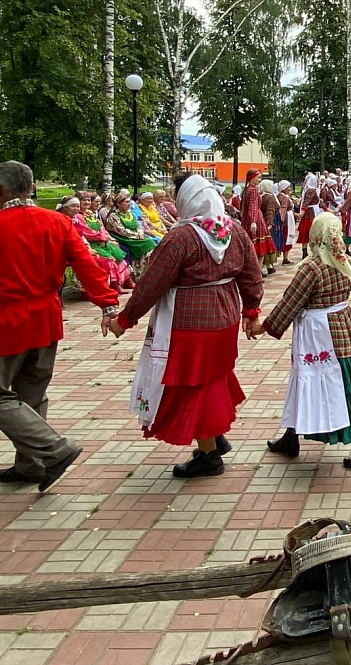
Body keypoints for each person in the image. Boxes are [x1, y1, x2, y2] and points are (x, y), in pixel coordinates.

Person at [0, 161, 122, 491]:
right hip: (45, 318)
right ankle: (31, 464)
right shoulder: (57, 222)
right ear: (31, 187)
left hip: (4, 322)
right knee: (31, 393)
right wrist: (108, 303)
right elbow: (87, 262)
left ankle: (55, 450)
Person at [107, 174, 263, 477]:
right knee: (212, 377)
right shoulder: (233, 231)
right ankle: (214, 438)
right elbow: (251, 272)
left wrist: (124, 320)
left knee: (194, 384)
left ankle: (209, 456)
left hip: (190, 320)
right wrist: (251, 308)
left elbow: (152, 283)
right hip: (225, 315)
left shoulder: (181, 237)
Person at [257, 213, 351, 467]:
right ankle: (291, 436)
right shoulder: (345, 262)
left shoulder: (312, 268)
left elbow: (290, 303)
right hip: (342, 329)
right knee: (315, 381)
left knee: (330, 384)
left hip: (318, 334)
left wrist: (264, 327)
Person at [68, 194, 133, 293]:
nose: (87, 203)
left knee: (119, 254)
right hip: (91, 243)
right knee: (108, 259)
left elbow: (101, 226)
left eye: (88, 200)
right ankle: (114, 284)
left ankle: (126, 280)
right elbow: (86, 232)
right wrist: (102, 238)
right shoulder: (78, 217)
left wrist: (106, 238)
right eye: (83, 201)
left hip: (101, 241)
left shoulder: (90, 213)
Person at [106, 190, 158, 268]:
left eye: (129, 202)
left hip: (134, 236)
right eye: (126, 202)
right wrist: (137, 235)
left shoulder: (129, 213)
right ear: (119, 204)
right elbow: (121, 231)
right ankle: (140, 269)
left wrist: (140, 233)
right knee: (149, 244)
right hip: (122, 237)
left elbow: (137, 225)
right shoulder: (113, 216)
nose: (129, 204)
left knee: (152, 242)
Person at [297, 174, 321, 259]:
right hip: (311, 213)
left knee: (306, 232)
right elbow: (306, 202)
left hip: (310, 212)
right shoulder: (312, 191)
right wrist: (301, 213)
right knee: (313, 231)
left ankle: (305, 251)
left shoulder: (309, 190)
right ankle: (313, 251)